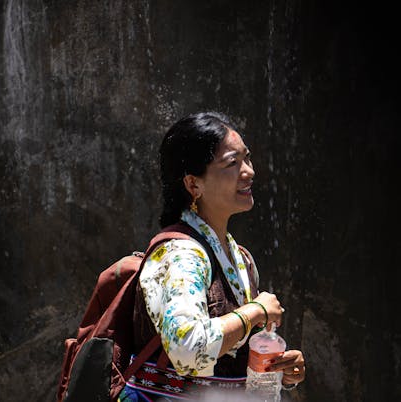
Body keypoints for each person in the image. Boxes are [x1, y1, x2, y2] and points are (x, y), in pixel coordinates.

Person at [118, 112, 305, 401]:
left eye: (247, 158)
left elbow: (234, 360)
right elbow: (188, 348)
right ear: (193, 184)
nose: (249, 171)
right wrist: (254, 312)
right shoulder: (180, 256)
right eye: (232, 163)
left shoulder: (241, 259)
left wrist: (281, 371)